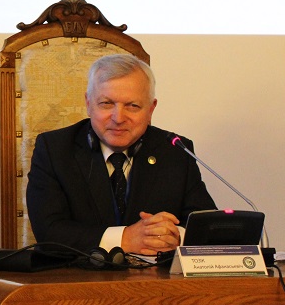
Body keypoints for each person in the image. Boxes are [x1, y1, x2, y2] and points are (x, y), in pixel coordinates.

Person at [25, 54, 215, 256]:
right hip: (76, 273)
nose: (118, 118)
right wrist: (125, 239)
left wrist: (176, 237)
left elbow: (207, 226)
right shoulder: (55, 149)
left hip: (156, 275)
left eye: (133, 106)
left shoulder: (175, 150)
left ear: (151, 110)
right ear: (88, 103)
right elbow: (49, 232)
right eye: (107, 103)